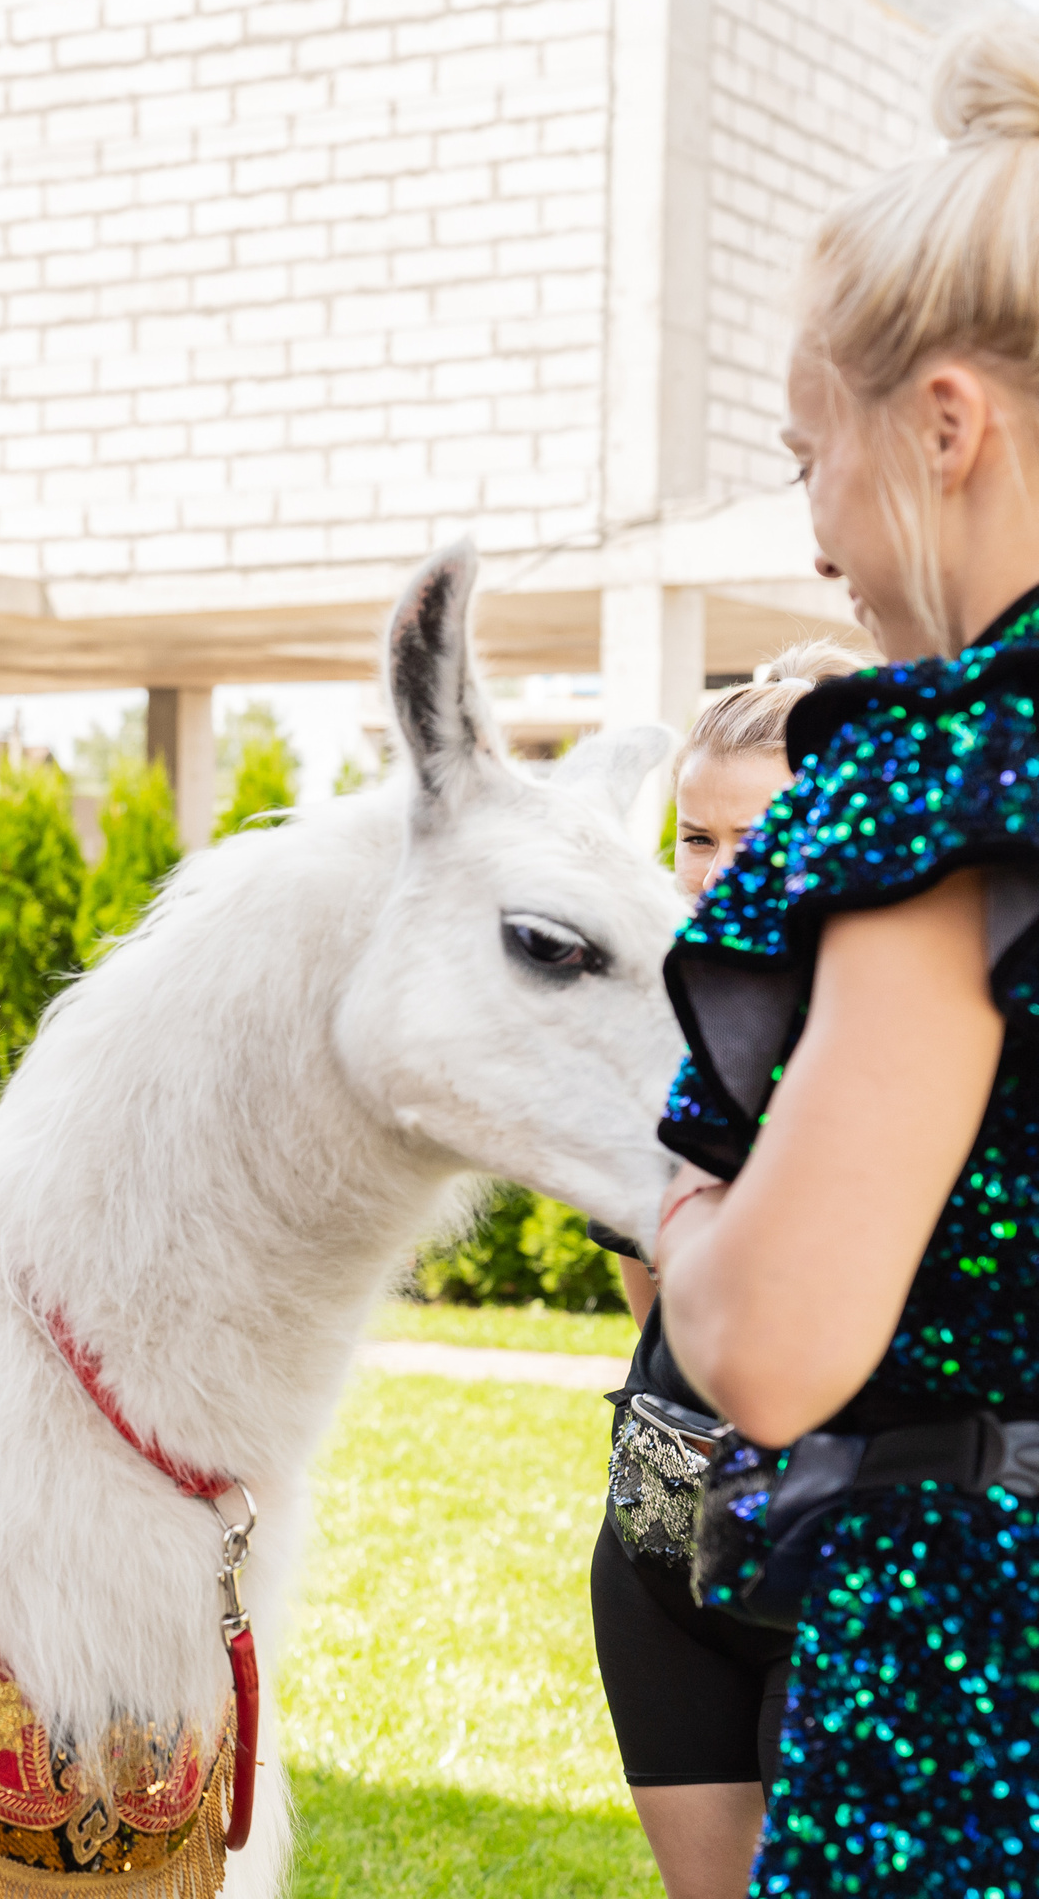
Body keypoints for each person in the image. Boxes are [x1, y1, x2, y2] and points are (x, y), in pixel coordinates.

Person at [653, 18, 1039, 1896]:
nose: (818, 542)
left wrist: (681, 1224)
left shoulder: (956, 776)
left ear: (945, 426)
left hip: (976, 1706)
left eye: (815, 457)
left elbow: (776, 1350)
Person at [589, 641, 870, 1899]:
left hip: (844, 1566)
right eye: (691, 839)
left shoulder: (924, 1035)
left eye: (745, 835)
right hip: (657, 1561)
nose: (709, 871)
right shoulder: (659, 1040)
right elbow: (654, 1294)